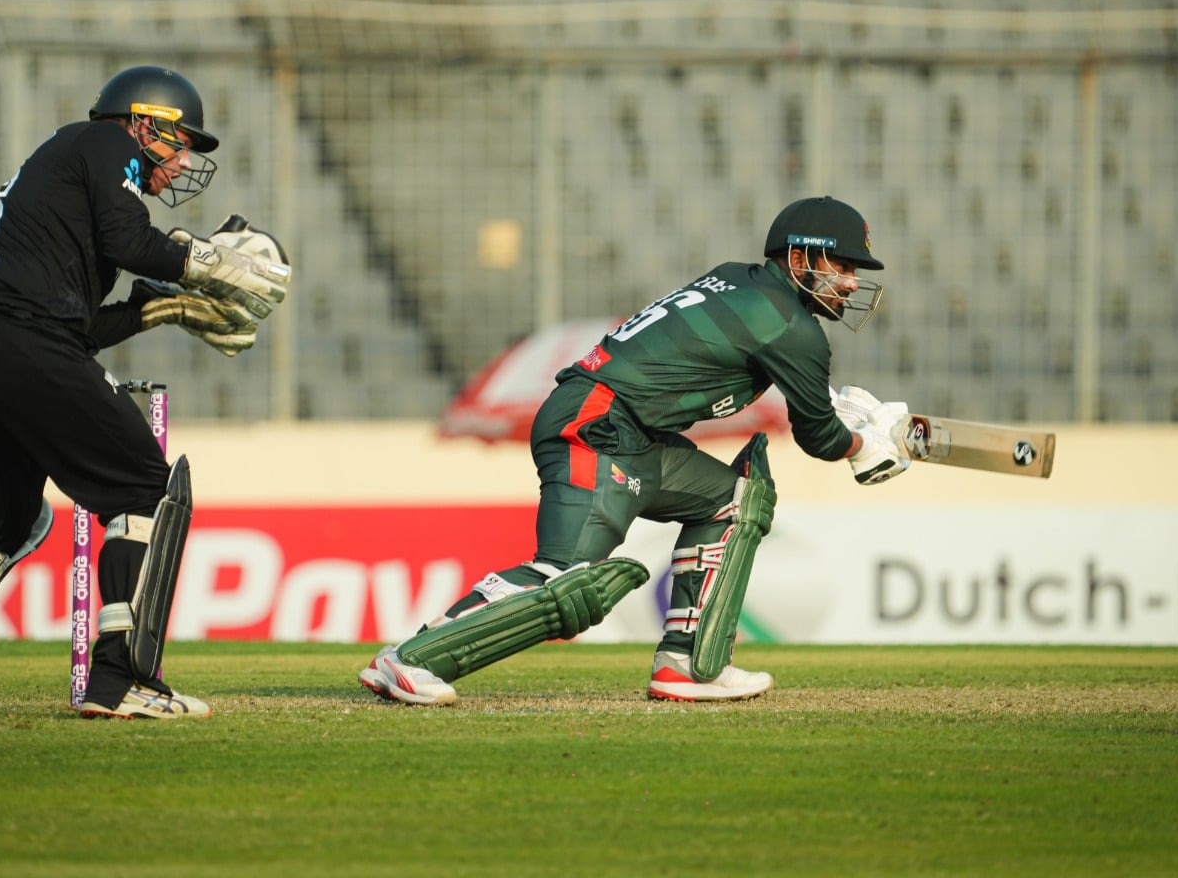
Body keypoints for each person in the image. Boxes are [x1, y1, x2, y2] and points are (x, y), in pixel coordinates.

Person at [0, 65, 291, 720]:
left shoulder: (58, 181)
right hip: (17, 342)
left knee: (6, 516)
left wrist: (160, 310)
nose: (181, 164)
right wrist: (210, 262)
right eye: (180, 145)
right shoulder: (102, 144)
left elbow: (76, 327)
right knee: (145, 486)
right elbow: (126, 246)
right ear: (146, 123)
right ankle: (122, 680)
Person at [359, 195, 912, 706]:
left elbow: (712, 359)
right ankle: (410, 661)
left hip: (628, 428)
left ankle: (689, 667)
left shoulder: (734, 280)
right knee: (567, 582)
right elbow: (819, 437)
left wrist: (828, 402)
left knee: (735, 502)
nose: (848, 281)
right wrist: (865, 446)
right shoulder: (791, 327)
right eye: (840, 266)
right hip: (598, 425)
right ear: (799, 257)